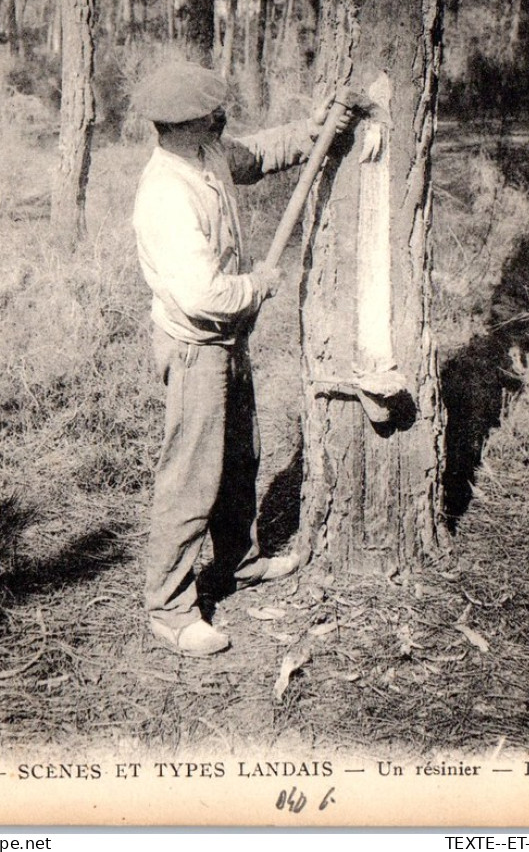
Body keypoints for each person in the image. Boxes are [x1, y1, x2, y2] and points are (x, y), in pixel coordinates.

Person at [131, 61, 352, 658]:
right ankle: (170, 609)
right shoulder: (166, 197)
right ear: (178, 125)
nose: (220, 117)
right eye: (210, 113)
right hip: (196, 344)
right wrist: (259, 284)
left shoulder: (207, 154)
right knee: (191, 477)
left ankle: (238, 562)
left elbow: (253, 155)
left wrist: (314, 133)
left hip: (229, 339)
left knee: (238, 459)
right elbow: (203, 293)